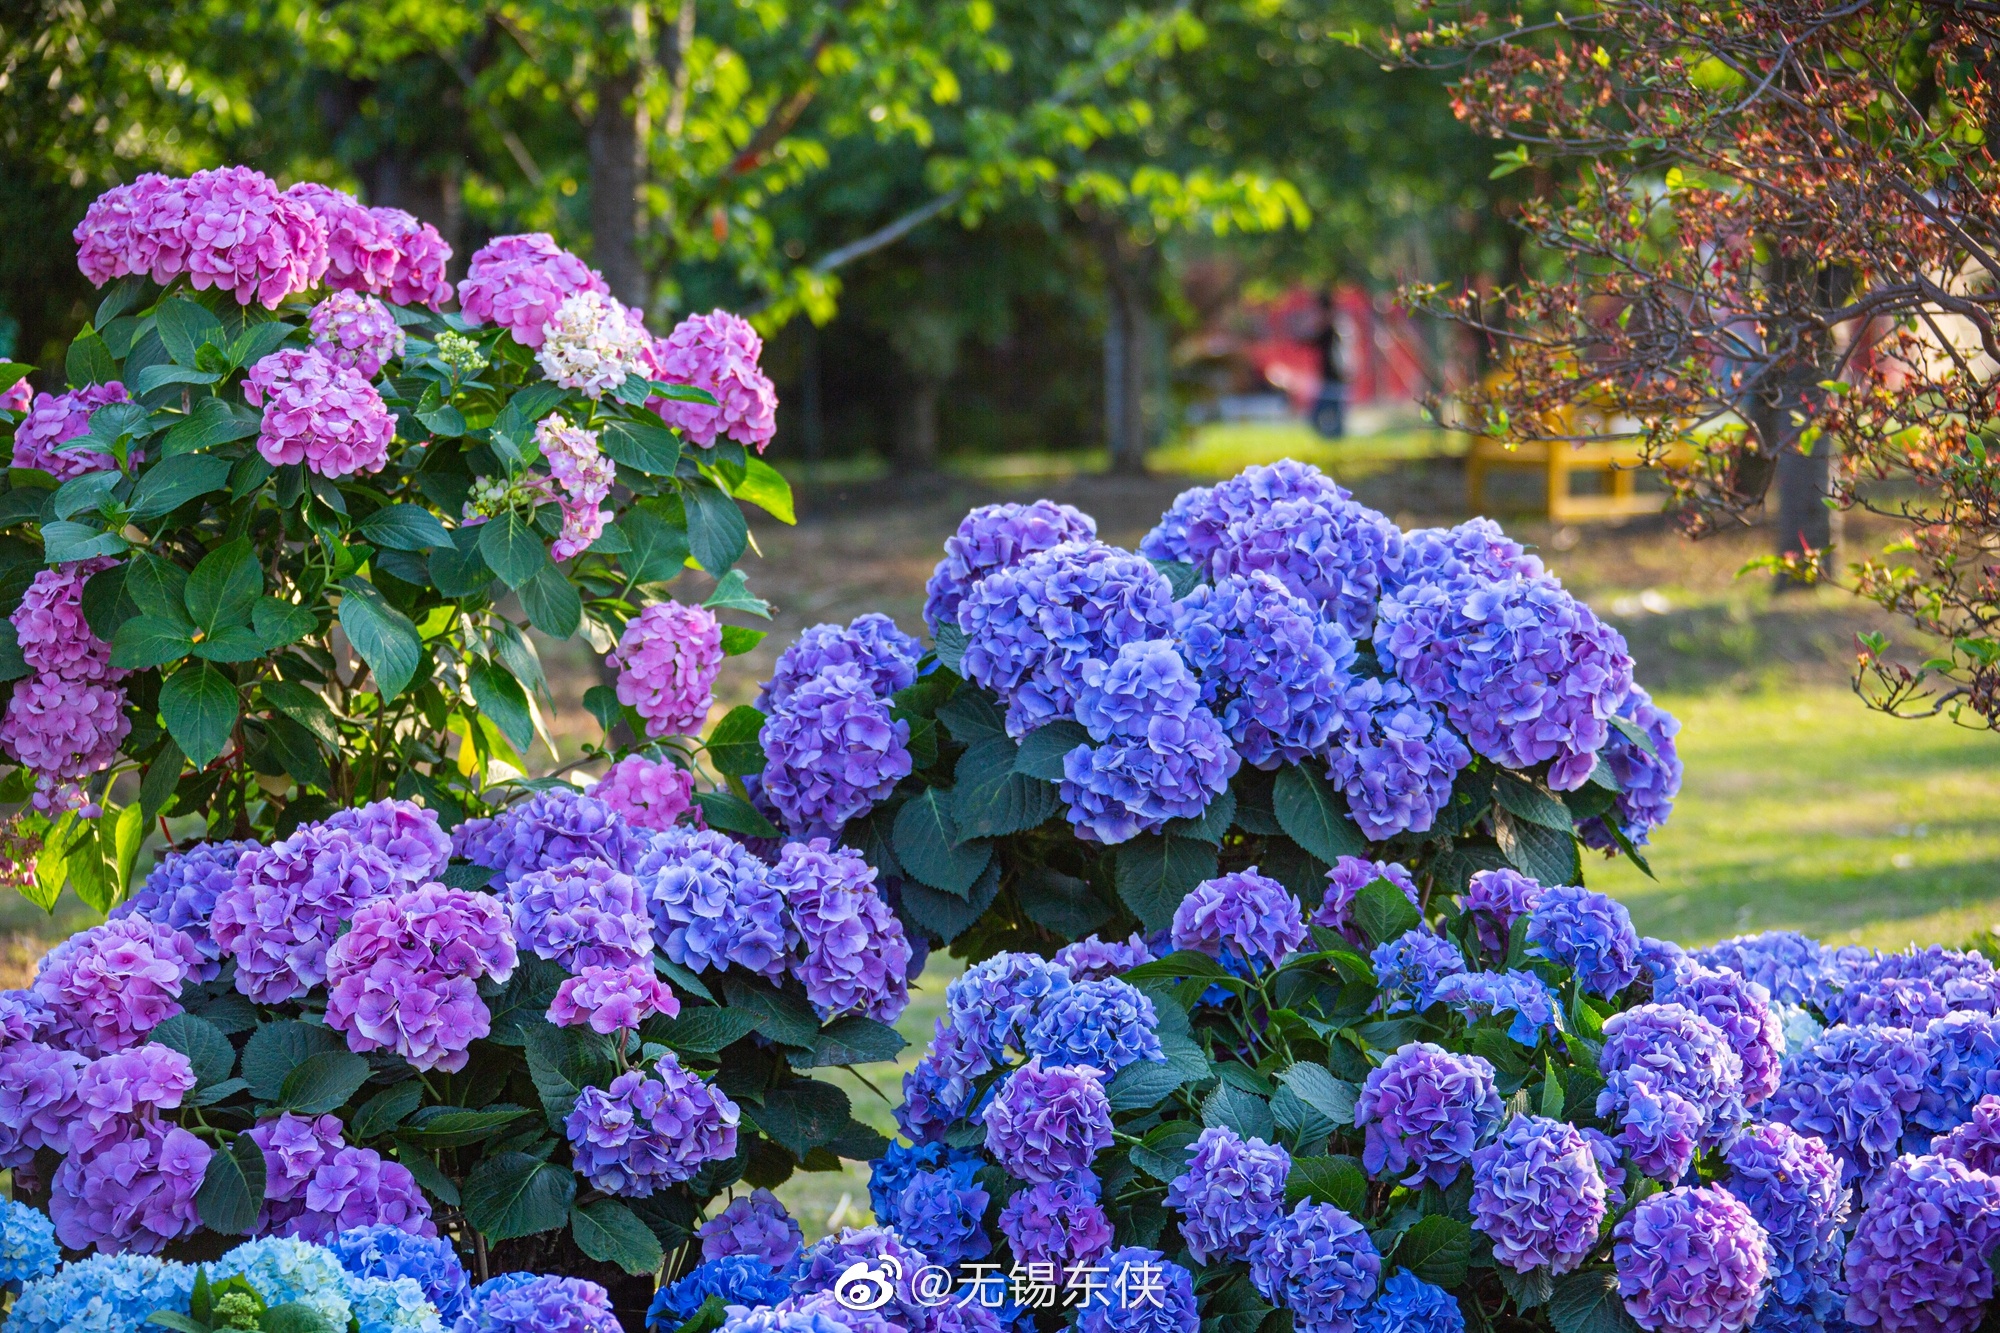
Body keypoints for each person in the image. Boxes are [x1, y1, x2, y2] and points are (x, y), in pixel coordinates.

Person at [1310, 288, 1348, 438]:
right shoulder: (1333, 327)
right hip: (1330, 378)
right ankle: (1332, 442)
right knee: (1328, 414)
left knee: (1323, 415)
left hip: (1335, 378)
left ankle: (1334, 442)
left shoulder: (1335, 329)